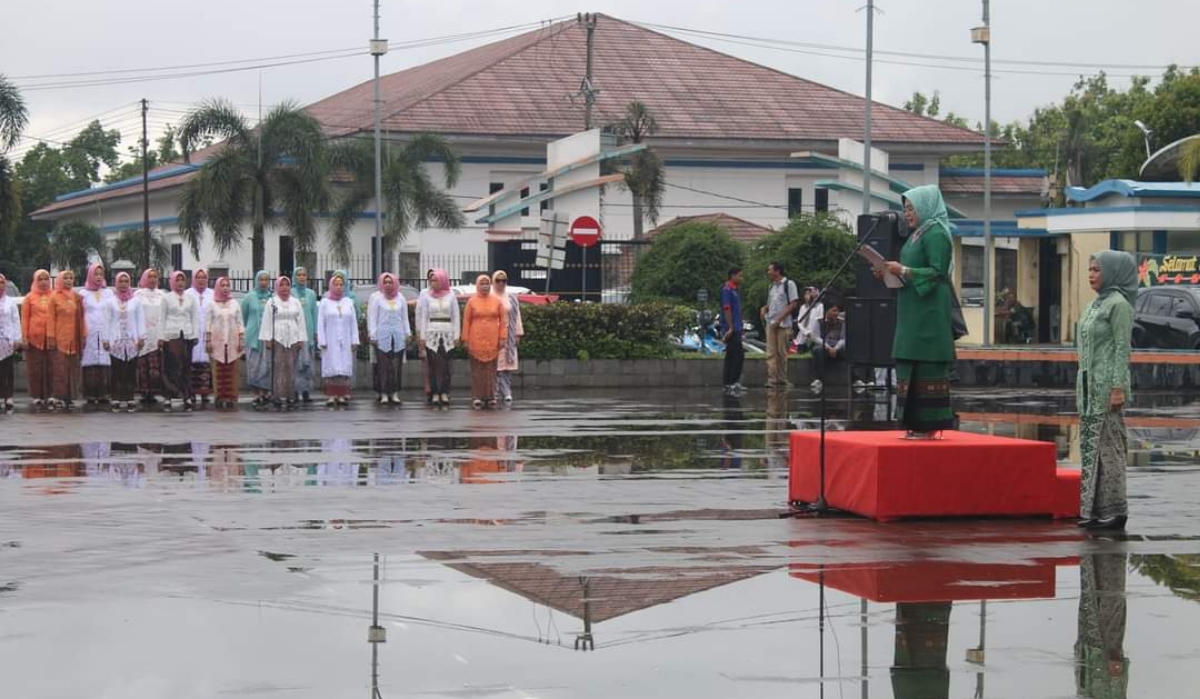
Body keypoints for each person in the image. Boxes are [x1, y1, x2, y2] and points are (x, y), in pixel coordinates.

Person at [878, 185, 956, 439]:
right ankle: (913, 422)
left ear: (925, 207)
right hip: (913, 310)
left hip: (929, 313)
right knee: (909, 361)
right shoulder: (917, 234)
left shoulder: (936, 233)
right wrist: (890, 273)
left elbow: (937, 271)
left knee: (927, 365)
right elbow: (909, 270)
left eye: (911, 208)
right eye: (905, 209)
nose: (907, 213)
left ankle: (929, 425)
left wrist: (903, 271)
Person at [1076, 250, 1135, 530]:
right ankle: (1094, 510)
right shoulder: (1094, 305)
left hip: (1107, 387)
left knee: (1110, 449)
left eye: (1097, 270)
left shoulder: (1118, 305)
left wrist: (1118, 387)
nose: (1091, 275)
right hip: (1088, 388)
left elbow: (1123, 348)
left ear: (1111, 272)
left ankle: (1116, 510)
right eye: (1090, 270)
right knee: (1091, 449)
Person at [1075, 553, 1129, 698]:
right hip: (1102, 653)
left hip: (1093, 652)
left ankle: (1099, 553)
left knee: (1099, 597)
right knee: (1109, 601)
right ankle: (1107, 554)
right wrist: (1116, 674)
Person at [260, 275, 307, 410]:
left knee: (291, 367)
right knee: (279, 367)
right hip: (278, 338)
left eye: (287, 285)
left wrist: (300, 339)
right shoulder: (272, 302)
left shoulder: (295, 302)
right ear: (277, 287)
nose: (285, 288)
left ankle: (290, 395)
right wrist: (267, 339)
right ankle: (278, 395)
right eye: (282, 285)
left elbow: (301, 321)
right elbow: (267, 320)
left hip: (293, 337)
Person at [461, 274, 507, 409]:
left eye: (487, 284)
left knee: (491, 370)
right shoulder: (472, 301)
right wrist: (465, 339)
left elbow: (503, 321)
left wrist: (503, 337)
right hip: (475, 339)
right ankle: (477, 397)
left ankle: (491, 397)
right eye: (482, 284)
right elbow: (466, 321)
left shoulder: (497, 301)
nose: (485, 286)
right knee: (477, 370)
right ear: (477, 285)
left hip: (493, 338)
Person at [417, 268, 460, 407]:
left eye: (435, 280)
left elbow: (456, 316)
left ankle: (445, 392)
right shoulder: (427, 296)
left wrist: (457, 335)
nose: (433, 283)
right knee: (433, 365)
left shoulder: (451, 296)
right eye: (431, 280)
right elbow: (423, 316)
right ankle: (435, 392)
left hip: (448, 332)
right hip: (432, 332)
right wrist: (422, 336)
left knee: (447, 365)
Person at [368, 272, 410, 405]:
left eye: (390, 282)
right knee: (383, 366)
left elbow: (404, 318)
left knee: (396, 366)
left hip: (398, 336)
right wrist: (373, 334)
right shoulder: (377, 298)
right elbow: (373, 318)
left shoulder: (401, 298)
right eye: (385, 282)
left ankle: (395, 393)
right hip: (382, 337)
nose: (387, 285)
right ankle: (384, 393)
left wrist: (407, 333)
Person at [106, 272, 145, 413]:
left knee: (130, 370)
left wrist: (141, 337)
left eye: (126, 281)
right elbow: (107, 320)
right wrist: (106, 339)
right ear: (116, 283)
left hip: (131, 340)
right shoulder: (111, 301)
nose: (123, 284)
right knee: (117, 370)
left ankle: (129, 397)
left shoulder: (135, 301)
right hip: (115, 340)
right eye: (120, 282)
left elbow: (140, 319)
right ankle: (116, 397)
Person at [318, 272, 359, 407]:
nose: (339, 287)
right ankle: (332, 395)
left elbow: (353, 323)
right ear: (331, 286)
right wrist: (322, 340)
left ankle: (342, 394)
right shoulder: (325, 302)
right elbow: (321, 323)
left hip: (345, 340)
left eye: (341, 284)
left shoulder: (348, 302)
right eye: (336, 284)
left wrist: (354, 340)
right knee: (332, 367)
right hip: (330, 340)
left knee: (343, 367)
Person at [161, 270, 200, 411]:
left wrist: (195, 335)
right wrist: (162, 337)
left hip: (187, 335)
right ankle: (168, 396)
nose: (180, 283)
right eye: (177, 280)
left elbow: (195, 318)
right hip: (172, 336)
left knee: (186, 366)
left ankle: (186, 396)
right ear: (172, 282)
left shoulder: (191, 298)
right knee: (172, 367)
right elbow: (162, 318)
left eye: (182, 280)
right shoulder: (166, 298)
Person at [78, 262, 115, 405]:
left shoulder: (108, 293)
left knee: (105, 360)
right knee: (90, 361)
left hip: (105, 330)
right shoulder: (83, 294)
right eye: (96, 274)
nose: (98, 277)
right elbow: (80, 315)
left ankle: (104, 393)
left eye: (101, 274)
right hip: (90, 331)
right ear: (90, 275)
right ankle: (90, 394)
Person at [50, 270, 87, 411]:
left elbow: (82, 318)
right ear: (60, 280)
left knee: (73, 368)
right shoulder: (55, 297)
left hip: (74, 338)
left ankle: (71, 396)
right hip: (60, 338)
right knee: (60, 369)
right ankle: (59, 396)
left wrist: (83, 334)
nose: (68, 281)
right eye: (65, 278)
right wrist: (51, 337)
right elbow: (51, 319)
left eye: (71, 278)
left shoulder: (77, 298)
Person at [206, 276, 245, 409]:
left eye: (227, 285)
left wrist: (241, 340)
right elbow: (208, 324)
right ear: (217, 287)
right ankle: (219, 397)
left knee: (232, 370)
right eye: (222, 285)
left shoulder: (234, 303)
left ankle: (231, 397)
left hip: (233, 341)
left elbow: (240, 323)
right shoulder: (212, 304)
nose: (225, 288)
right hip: (217, 342)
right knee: (218, 370)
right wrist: (208, 341)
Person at [761, 261, 799, 389]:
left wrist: (780, 318)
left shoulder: (789, 284)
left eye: (770, 270)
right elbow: (771, 303)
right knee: (771, 352)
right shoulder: (771, 286)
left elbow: (793, 303)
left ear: (777, 271)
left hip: (783, 324)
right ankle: (772, 379)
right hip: (771, 322)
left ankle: (782, 379)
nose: (768, 272)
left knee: (782, 352)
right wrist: (765, 309)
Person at [21, 270, 55, 409]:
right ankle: (36, 396)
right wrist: (24, 337)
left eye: (46, 279)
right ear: (35, 280)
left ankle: (51, 395)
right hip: (34, 338)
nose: (43, 282)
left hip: (51, 339)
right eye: (40, 279)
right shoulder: (29, 298)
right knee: (35, 369)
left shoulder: (54, 296)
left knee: (52, 368)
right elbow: (25, 319)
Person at [134, 269, 167, 405]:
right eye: (150, 276)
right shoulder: (138, 295)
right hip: (143, 333)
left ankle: (154, 392)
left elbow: (165, 315)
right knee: (143, 366)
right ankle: (144, 392)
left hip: (157, 333)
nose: (153, 279)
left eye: (155, 277)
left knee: (155, 366)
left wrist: (163, 335)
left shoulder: (163, 294)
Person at [241, 271, 273, 407]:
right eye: (261, 279)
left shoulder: (273, 298)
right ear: (256, 281)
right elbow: (244, 315)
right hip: (253, 336)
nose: (264, 282)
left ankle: (264, 393)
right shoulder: (249, 297)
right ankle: (255, 393)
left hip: (267, 337)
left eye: (266, 280)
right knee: (254, 365)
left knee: (266, 365)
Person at [492, 270, 524, 403]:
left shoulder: (511, 297)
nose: (501, 283)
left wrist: (517, 333)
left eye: (503, 281)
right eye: (498, 280)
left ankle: (506, 391)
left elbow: (517, 317)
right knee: (496, 366)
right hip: (494, 335)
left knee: (507, 366)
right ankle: (497, 392)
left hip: (508, 335)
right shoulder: (489, 296)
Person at [185, 268, 215, 404]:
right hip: (193, 333)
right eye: (198, 277)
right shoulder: (187, 294)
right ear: (193, 279)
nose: (201, 280)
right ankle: (191, 393)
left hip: (208, 333)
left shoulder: (213, 294)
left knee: (206, 362)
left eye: (204, 278)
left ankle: (205, 393)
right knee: (192, 362)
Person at [293, 266, 319, 403]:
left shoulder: (311, 294)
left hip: (308, 333)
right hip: (295, 335)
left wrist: (316, 332)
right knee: (297, 363)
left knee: (308, 363)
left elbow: (315, 313)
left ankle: (306, 391)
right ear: (295, 277)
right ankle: (295, 391)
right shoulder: (291, 293)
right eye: (299, 275)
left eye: (304, 275)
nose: (302, 277)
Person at [720, 266, 745, 395]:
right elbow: (727, 308)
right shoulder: (727, 290)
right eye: (739, 276)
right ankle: (732, 381)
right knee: (738, 355)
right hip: (732, 328)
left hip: (737, 327)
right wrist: (730, 327)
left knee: (731, 355)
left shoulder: (735, 290)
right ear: (732, 276)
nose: (741, 278)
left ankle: (728, 382)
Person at [809, 303, 845, 393]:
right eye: (834, 311)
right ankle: (818, 379)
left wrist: (836, 348)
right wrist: (828, 348)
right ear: (826, 311)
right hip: (824, 347)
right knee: (817, 350)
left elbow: (843, 338)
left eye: (837, 311)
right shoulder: (819, 322)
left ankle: (856, 379)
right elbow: (815, 337)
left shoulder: (842, 322)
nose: (836, 313)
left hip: (837, 348)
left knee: (850, 351)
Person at [0, 274, 22, 412]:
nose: (0, 285)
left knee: (7, 370)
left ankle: (8, 397)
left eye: (2, 283)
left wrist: (16, 339)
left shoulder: (10, 302)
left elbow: (16, 321)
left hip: (7, 341)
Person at [418, 268, 436, 401]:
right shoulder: (424, 293)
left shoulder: (445, 293)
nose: (432, 280)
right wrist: (419, 334)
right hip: (426, 330)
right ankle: (428, 387)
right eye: (430, 277)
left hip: (439, 331)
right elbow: (420, 313)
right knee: (427, 362)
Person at [791, 286, 822, 353]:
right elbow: (799, 322)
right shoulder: (803, 307)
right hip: (803, 335)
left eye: (808, 294)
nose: (806, 296)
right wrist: (806, 332)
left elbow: (819, 321)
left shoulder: (819, 306)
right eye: (805, 294)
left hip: (815, 335)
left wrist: (811, 332)